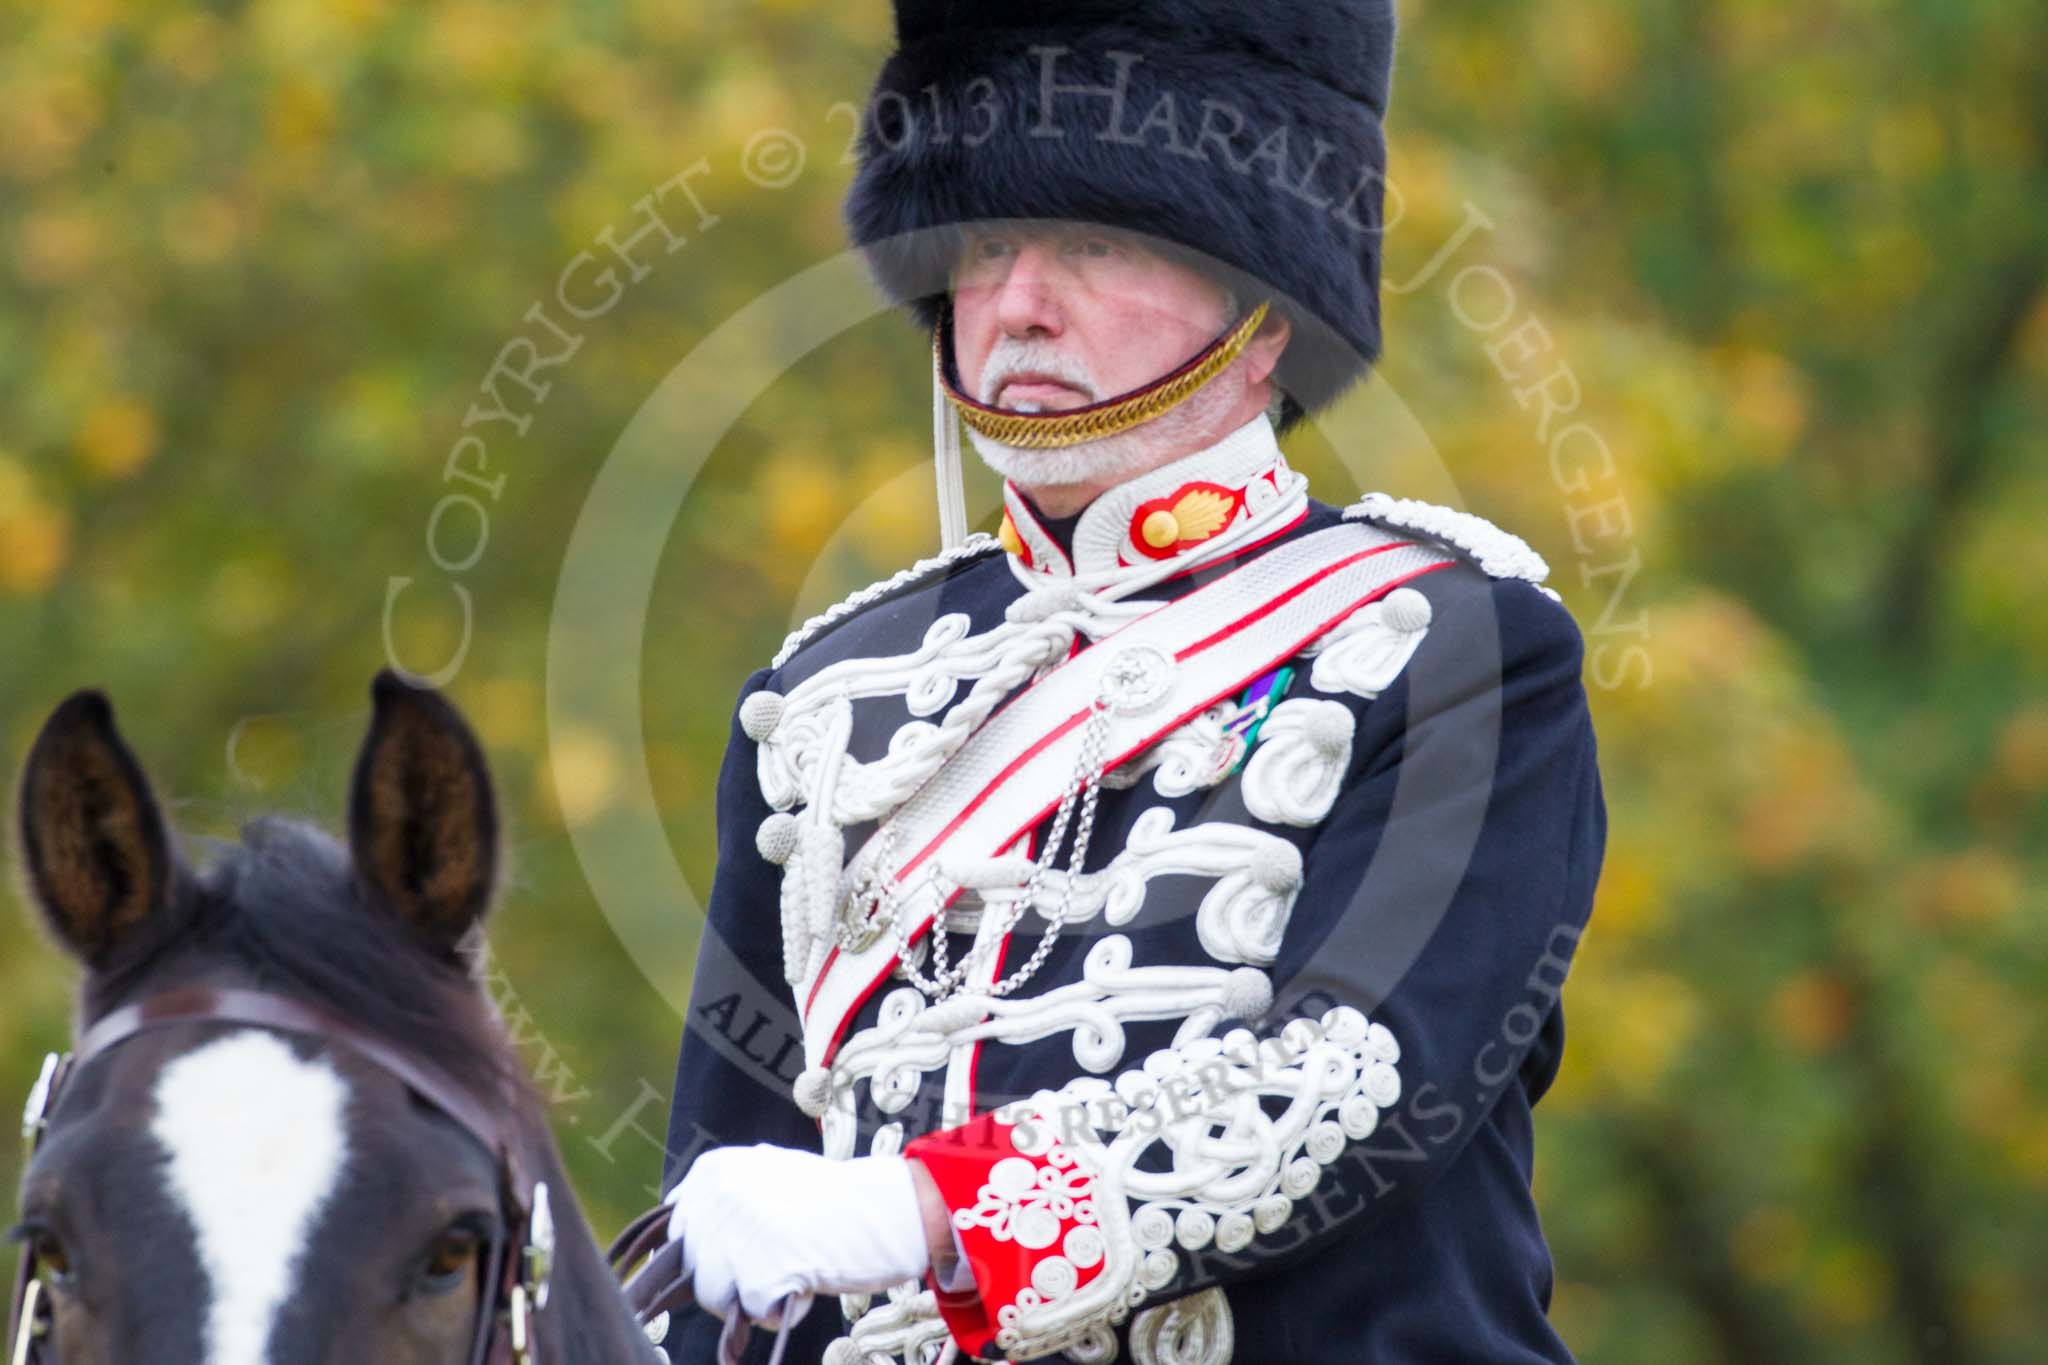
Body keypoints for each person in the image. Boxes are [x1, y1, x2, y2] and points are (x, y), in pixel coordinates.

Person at [656, 3, 1607, 1362]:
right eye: (987, 245)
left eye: (1094, 243)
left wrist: (928, 1211)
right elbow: (737, 1226)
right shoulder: (826, 702)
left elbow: (1351, 1084)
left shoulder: (1452, 646)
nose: (1021, 305)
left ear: (1263, 308)